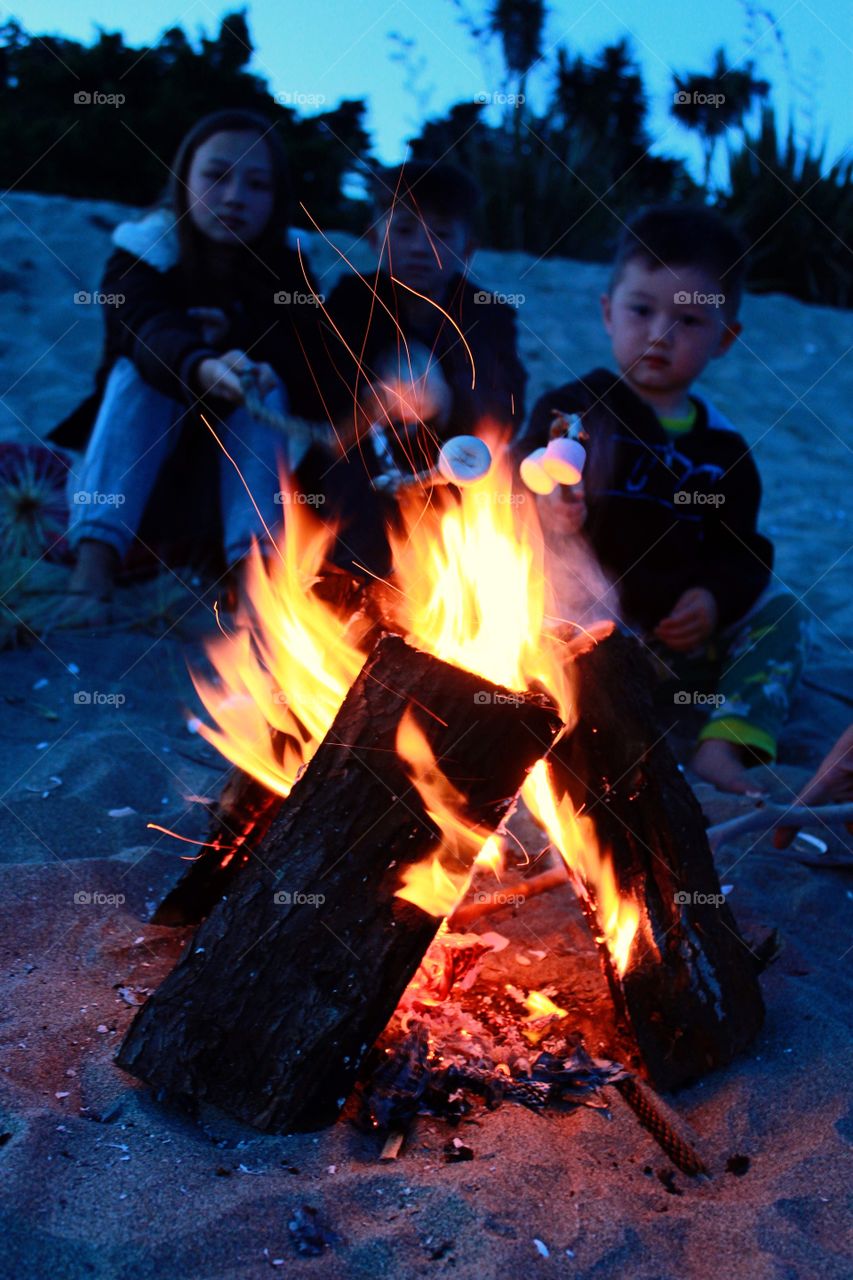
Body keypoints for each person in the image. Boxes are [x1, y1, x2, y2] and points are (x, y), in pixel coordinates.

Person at [521, 205, 810, 795]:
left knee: (782, 615)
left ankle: (721, 745)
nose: (660, 334)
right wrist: (548, 508)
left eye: (689, 321)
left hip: (670, 652)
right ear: (608, 312)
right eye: (642, 310)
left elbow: (743, 552)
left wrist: (711, 597)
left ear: (726, 338)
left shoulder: (723, 451)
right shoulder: (574, 410)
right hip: (576, 634)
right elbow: (515, 485)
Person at [49, 108, 326, 606]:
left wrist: (241, 343)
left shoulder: (290, 270)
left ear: (277, 195)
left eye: (257, 184)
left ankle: (256, 584)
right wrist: (199, 362)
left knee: (265, 381)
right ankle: (92, 568)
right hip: (143, 486)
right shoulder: (142, 251)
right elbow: (140, 326)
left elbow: (307, 357)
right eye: (217, 176)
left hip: (230, 494)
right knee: (135, 374)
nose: (235, 197)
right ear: (185, 177)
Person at [313, 160, 527, 577]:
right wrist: (369, 399)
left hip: (450, 462)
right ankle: (355, 579)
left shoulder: (488, 315)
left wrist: (448, 400)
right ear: (376, 236)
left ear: (467, 248)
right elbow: (319, 380)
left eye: (440, 235)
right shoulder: (352, 300)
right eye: (405, 230)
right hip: (362, 458)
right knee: (351, 483)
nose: (420, 247)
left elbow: (508, 402)